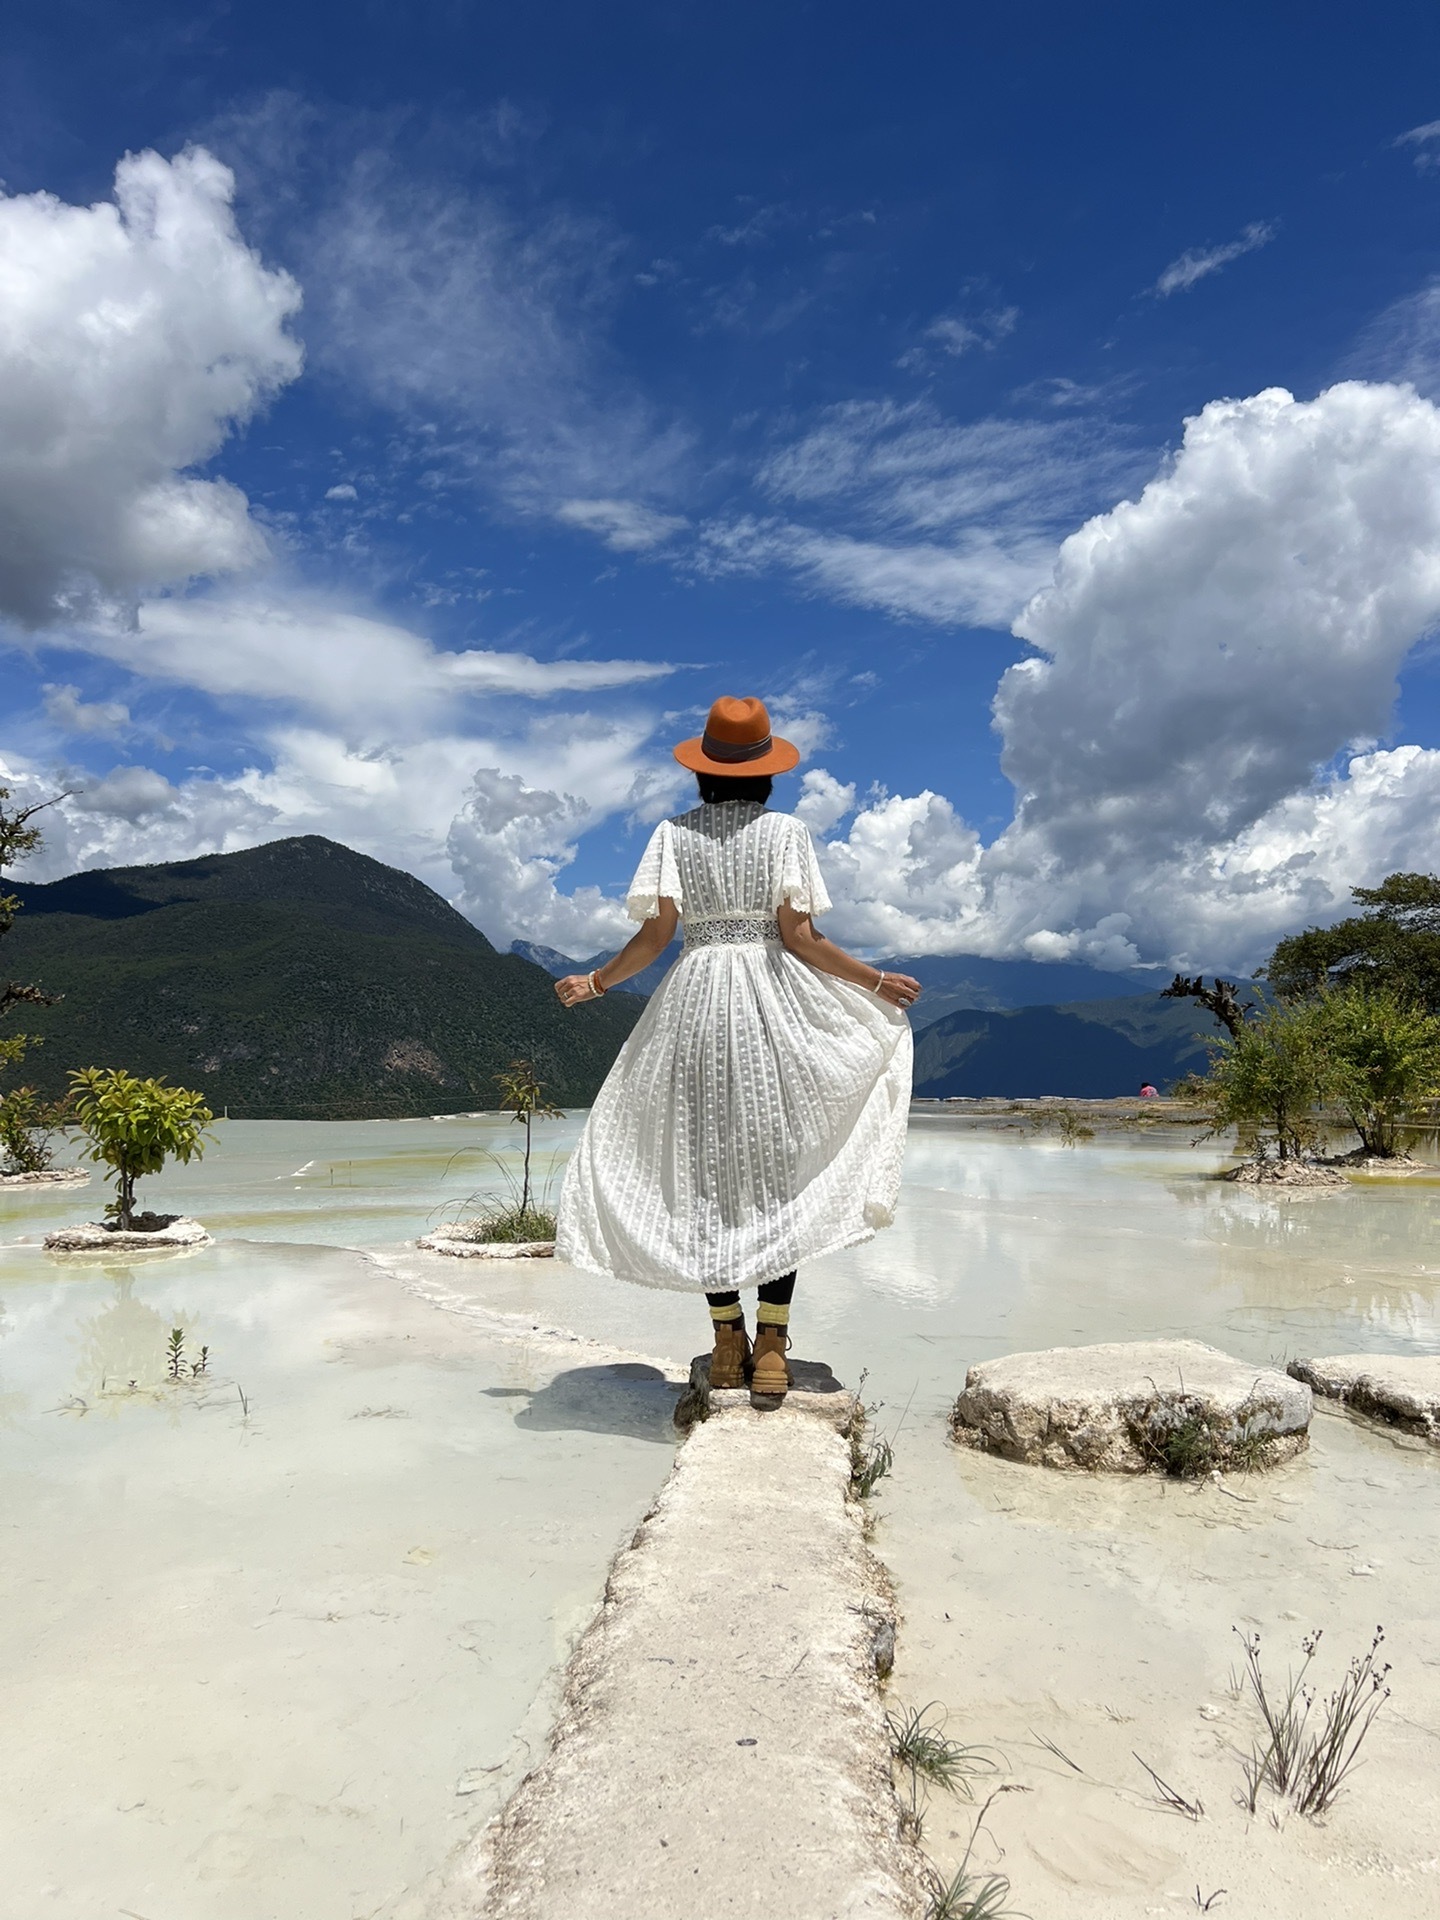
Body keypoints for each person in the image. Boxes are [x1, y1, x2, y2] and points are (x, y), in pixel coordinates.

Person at [553, 695, 920, 1401]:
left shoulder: (671, 835)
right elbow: (800, 938)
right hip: (770, 1005)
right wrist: (875, 981)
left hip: (694, 1005)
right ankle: (774, 1346)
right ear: (765, 772)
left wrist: (595, 983)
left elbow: (656, 938)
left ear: (702, 771)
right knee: (777, 1178)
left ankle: (727, 1344)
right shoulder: (785, 833)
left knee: (705, 1177)